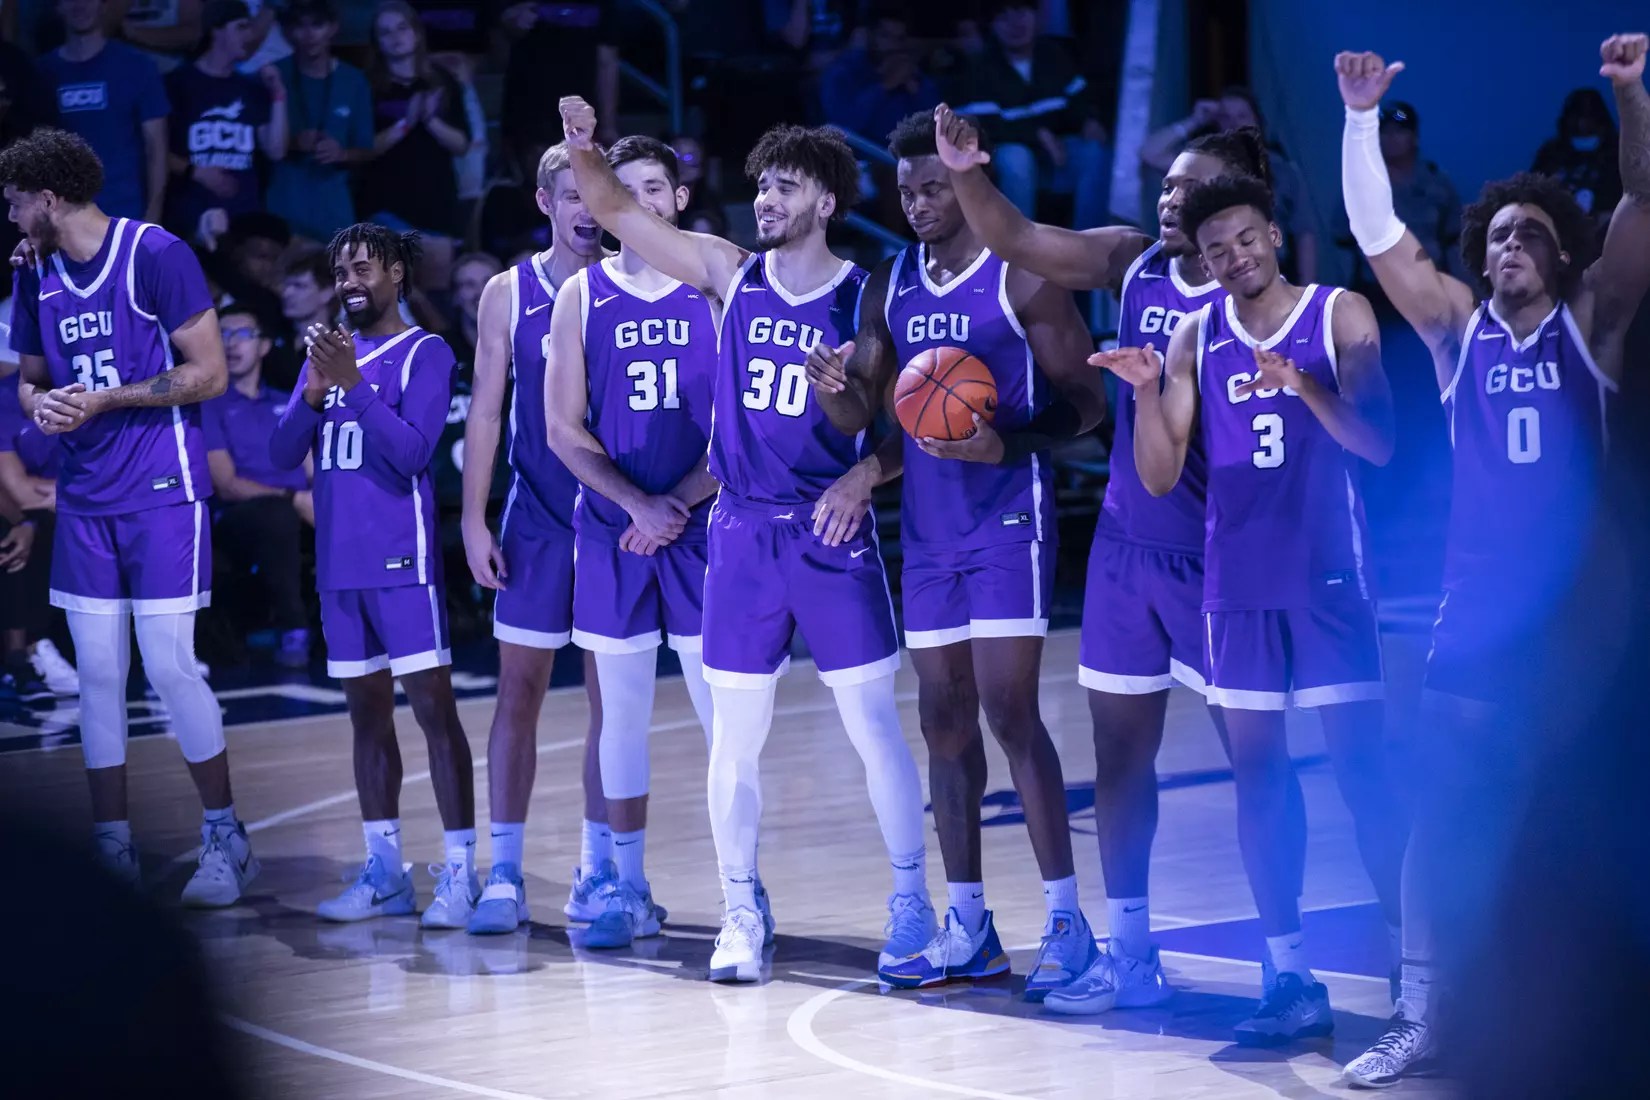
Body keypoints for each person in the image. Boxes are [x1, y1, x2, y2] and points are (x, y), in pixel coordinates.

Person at [927, 104, 1308, 1014]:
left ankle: (1289, 965)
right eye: (1168, 183)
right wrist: (969, 171)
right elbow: (1015, 237)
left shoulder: (1257, 295)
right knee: (1122, 758)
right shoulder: (1132, 261)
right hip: (1129, 553)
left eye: (1192, 187)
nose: (1170, 197)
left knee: (1258, 764)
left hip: (1224, 561)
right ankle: (1132, 954)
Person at [560, 94, 938, 983]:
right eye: (762, 184)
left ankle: (913, 902)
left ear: (827, 203)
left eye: (786, 186)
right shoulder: (730, 273)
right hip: (739, 531)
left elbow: (898, 422)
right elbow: (615, 210)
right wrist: (584, 150)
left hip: (830, 529)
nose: (766, 198)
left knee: (874, 727)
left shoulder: (865, 295)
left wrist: (859, 469)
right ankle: (741, 908)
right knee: (734, 737)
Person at [1334, 36, 1650, 1086]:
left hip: (1580, 617)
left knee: (1583, 808)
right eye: (1497, 234)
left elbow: (1643, 202)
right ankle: (1421, 1006)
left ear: (1563, 253)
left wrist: (1630, 96)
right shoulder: (1457, 331)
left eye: (1529, 234)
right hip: (1476, 613)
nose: (1507, 246)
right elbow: (1382, 239)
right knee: (1447, 808)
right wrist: (1360, 118)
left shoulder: (1594, 324)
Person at [1098, 171, 1408, 1044]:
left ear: (1274, 234)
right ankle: (1288, 974)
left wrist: (1304, 386)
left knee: (1363, 775)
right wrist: (1145, 390)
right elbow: (1160, 475)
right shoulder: (1195, 333)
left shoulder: (1340, 312)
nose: (1231, 258)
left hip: (1328, 583)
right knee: (1259, 781)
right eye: (1212, 250)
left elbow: (1380, 445)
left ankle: (1410, 964)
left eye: (1243, 240)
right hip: (1234, 592)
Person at [805, 111, 1106, 996]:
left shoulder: (1023, 273)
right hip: (930, 532)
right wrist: (840, 404)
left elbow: (1086, 402)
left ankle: (1067, 922)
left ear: (969, 184)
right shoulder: (890, 283)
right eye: (905, 190)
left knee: (1011, 712)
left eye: (933, 186)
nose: (919, 203)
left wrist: (1002, 447)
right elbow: (875, 414)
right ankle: (969, 922)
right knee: (942, 717)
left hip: (1009, 513)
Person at [0, 127, 258, 906]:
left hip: (161, 493)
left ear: (47, 199)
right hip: (84, 500)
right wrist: (41, 404)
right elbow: (28, 382)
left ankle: (226, 836)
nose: (9, 217)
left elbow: (209, 374)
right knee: (101, 677)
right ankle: (113, 846)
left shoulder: (156, 253)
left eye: (13, 203)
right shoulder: (33, 274)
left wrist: (108, 398)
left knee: (171, 665)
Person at [269, 223, 480, 928]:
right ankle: (385, 872)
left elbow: (412, 454)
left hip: (400, 562)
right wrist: (312, 391)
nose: (349, 283)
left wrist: (353, 387)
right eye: (340, 272)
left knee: (432, 711)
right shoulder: (330, 351)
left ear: (396, 273)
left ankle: (459, 875)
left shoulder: (427, 350)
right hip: (339, 570)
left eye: (363, 269)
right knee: (366, 720)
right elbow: (278, 454)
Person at [543, 135, 721, 948]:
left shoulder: (718, 290)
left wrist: (673, 505)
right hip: (613, 532)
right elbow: (561, 428)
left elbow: (743, 429)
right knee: (621, 718)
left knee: (726, 720)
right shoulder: (581, 296)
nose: (642, 202)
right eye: (627, 189)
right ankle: (624, 885)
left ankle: (740, 895)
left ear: (678, 201)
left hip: (705, 529)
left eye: (657, 187)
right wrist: (635, 506)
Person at [459, 144, 609, 936]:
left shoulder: (633, 280)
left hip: (616, 519)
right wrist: (472, 516)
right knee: (518, 692)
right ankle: (506, 871)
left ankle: (597, 870)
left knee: (605, 701)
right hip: (538, 518)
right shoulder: (506, 292)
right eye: (571, 194)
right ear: (546, 203)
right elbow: (486, 410)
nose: (587, 208)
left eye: (597, 192)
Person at [202, 301, 313, 668]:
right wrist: (293, 498)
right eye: (224, 335)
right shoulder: (209, 406)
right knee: (276, 515)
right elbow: (227, 484)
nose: (232, 344)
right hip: (237, 519)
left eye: (243, 334)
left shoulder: (287, 402)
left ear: (264, 346)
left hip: (298, 506)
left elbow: (316, 471)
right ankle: (294, 627)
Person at [950, 0, 1110, 230]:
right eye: (1004, 17)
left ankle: (1089, 244)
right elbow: (988, 127)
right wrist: (1040, 135)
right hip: (1009, 159)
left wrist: (1088, 121)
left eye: (1021, 12)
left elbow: (1078, 102)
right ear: (992, 26)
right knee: (1017, 158)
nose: (1015, 23)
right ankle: (1020, 249)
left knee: (1095, 152)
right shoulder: (980, 68)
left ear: (1037, 16)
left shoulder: (1054, 55)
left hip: (1057, 157)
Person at [1142, 87, 1319, 283]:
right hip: (1214, 272)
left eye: (1242, 116)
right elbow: (1151, 152)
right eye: (1225, 117)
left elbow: (1304, 234)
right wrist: (1195, 120)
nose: (1234, 124)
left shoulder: (1283, 170)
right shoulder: (1200, 167)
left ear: (1257, 121)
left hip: (1271, 272)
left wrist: (1306, 289)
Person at [359, 2, 472, 268]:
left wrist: (430, 120)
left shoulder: (442, 82)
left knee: (436, 292)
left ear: (416, 33)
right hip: (385, 201)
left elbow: (462, 144)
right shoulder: (367, 86)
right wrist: (406, 124)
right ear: (376, 40)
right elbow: (363, 149)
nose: (395, 38)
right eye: (385, 32)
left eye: (401, 28)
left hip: (436, 199)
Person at [162, 1, 289, 239]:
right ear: (216, 29)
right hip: (189, 218)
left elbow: (276, 150)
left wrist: (279, 96)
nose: (250, 35)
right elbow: (154, 150)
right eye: (241, 27)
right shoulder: (175, 84)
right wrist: (195, 171)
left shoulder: (251, 88)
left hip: (243, 221)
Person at [36, 0, 170, 223]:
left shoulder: (138, 67)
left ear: (104, 5)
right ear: (57, 7)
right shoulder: (40, 73)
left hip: (125, 220)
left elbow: (157, 150)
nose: (80, 6)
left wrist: (152, 219)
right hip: (62, 224)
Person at [265, 0, 375, 243]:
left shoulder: (354, 81)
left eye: (317, 25)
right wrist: (293, 142)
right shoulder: (273, 75)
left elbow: (366, 149)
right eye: (300, 26)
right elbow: (257, 146)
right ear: (288, 31)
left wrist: (341, 153)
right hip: (284, 206)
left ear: (333, 27)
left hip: (333, 211)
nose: (309, 35)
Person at [0, 369, 76, 702]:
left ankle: (33, 650)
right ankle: (22, 659)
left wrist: (24, 522)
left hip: (38, 506)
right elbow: (16, 488)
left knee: (32, 529)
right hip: (21, 503)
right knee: (16, 532)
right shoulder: (4, 399)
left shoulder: (72, 392)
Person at [498, 0, 619, 157]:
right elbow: (497, 45)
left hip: (581, 111)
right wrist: (508, 24)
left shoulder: (603, 6)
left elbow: (606, 61)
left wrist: (608, 126)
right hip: (530, 109)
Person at [819, 5, 941, 150]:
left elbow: (937, 122)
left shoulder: (910, 73)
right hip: (861, 160)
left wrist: (914, 87)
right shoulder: (843, 73)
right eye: (885, 36)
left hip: (906, 158)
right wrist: (885, 85)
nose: (893, 45)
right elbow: (842, 126)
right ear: (869, 35)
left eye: (899, 38)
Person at [1531, 87, 1624, 224]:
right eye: (1577, 117)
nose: (1583, 124)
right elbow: (1533, 191)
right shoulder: (1551, 153)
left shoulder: (1617, 152)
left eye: (1589, 117)